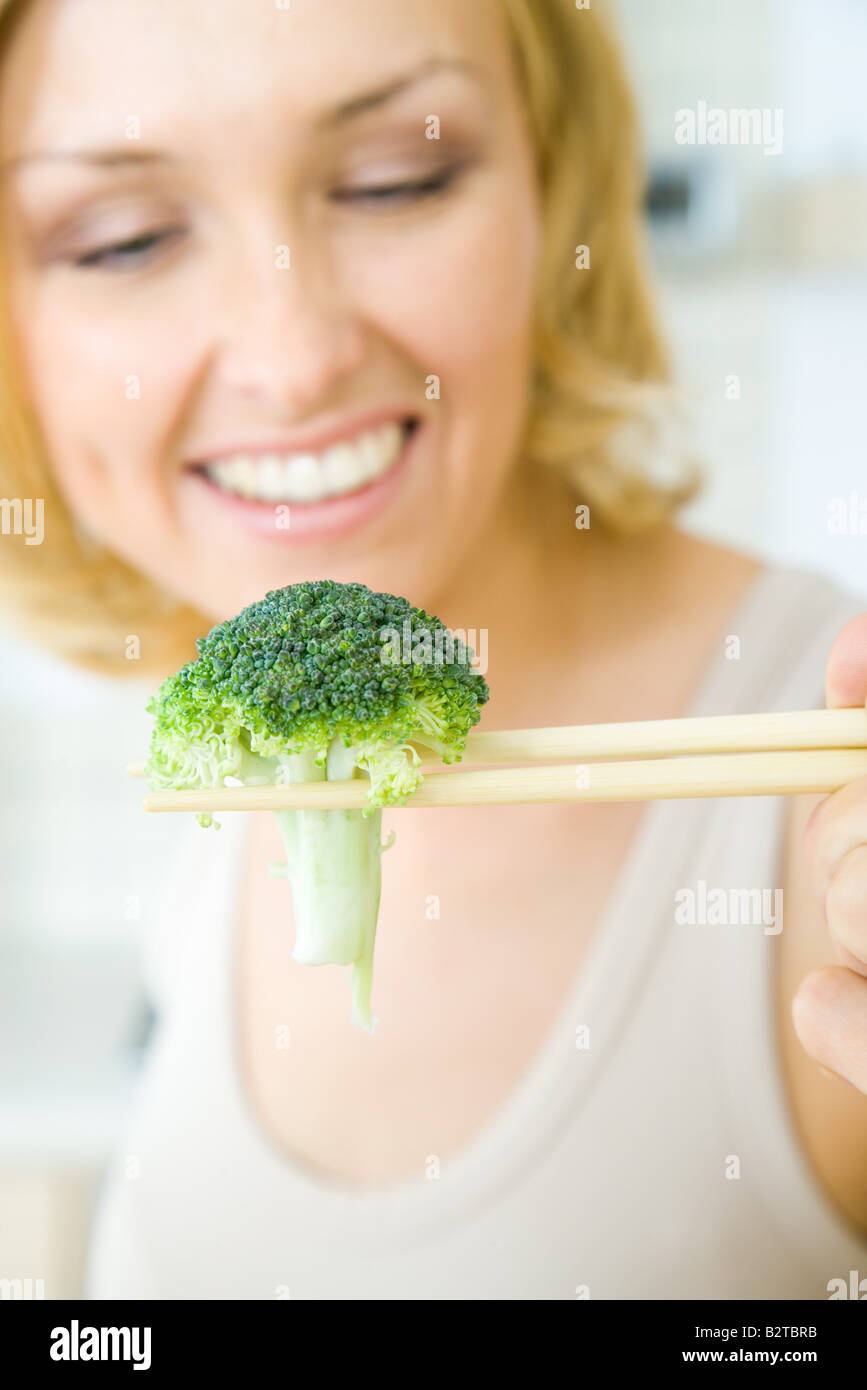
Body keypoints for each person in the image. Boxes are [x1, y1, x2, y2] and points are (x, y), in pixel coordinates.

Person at [0, 0, 864, 1299]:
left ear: (554, 186)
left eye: (396, 178)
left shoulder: (820, 815)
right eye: (125, 240)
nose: (292, 362)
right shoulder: (242, 747)